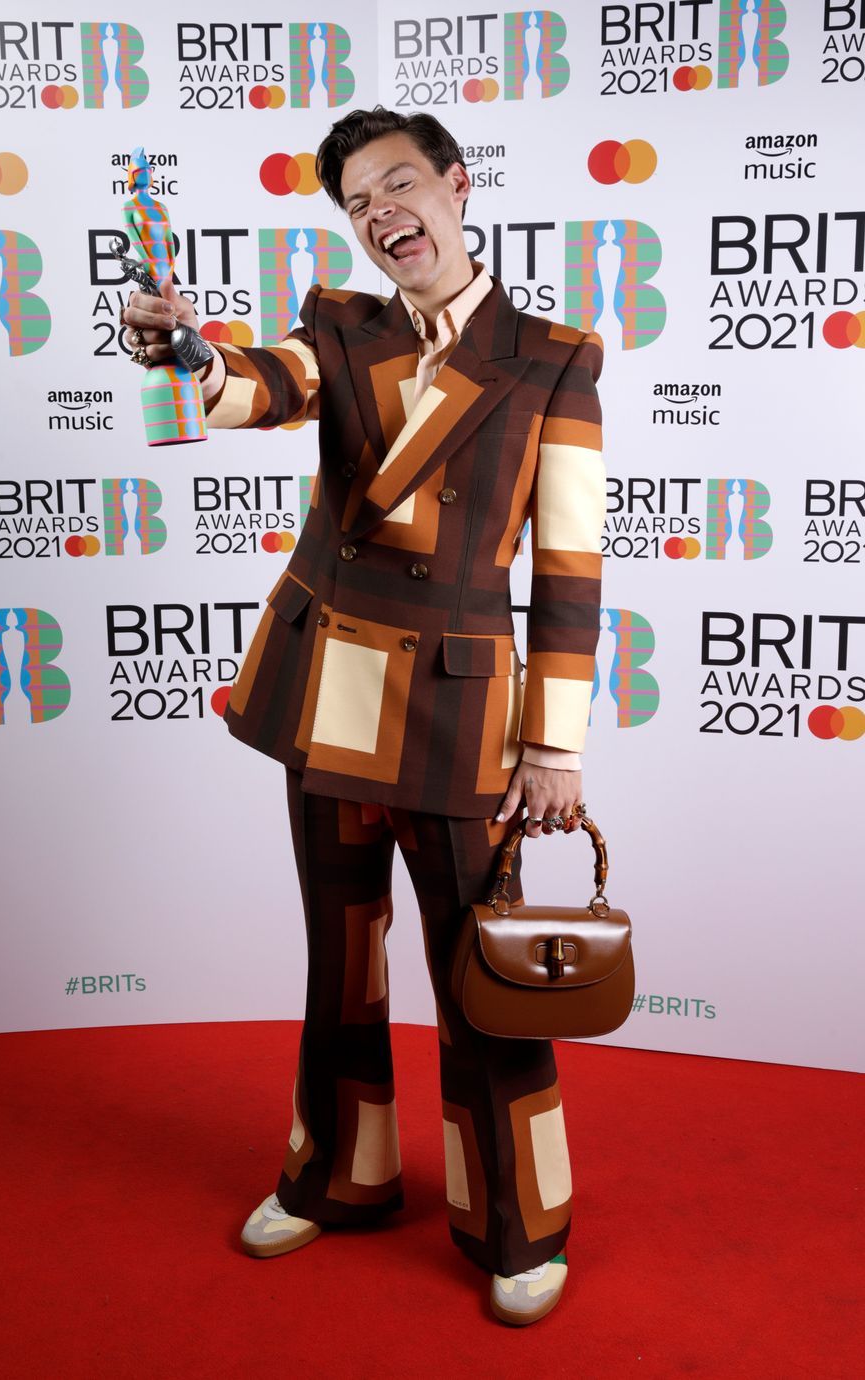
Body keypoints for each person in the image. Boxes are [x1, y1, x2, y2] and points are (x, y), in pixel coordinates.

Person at [123, 107, 605, 1327]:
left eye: (400, 185)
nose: (383, 211)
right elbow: (255, 386)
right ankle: (339, 1176)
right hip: (326, 693)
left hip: (460, 717)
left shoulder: (551, 354)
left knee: (477, 978)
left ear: (452, 186)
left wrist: (552, 743)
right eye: (357, 202)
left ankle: (516, 1226)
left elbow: (569, 570)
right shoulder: (338, 328)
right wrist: (188, 352)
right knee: (340, 960)